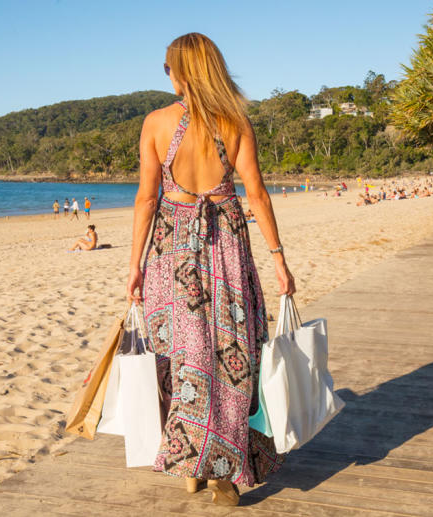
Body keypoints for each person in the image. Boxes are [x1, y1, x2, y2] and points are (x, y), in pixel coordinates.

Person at [126, 33, 292, 505]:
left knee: (183, 352)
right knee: (231, 351)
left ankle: (194, 464)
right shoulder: (235, 121)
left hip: (172, 249)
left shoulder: (157, 123)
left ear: (183, 71)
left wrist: (134, 266)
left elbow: (145, 199)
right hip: (227, 246)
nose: (167, 77)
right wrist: (279, 259)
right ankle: (221, 463)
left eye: (167, 68)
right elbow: (256, 194)